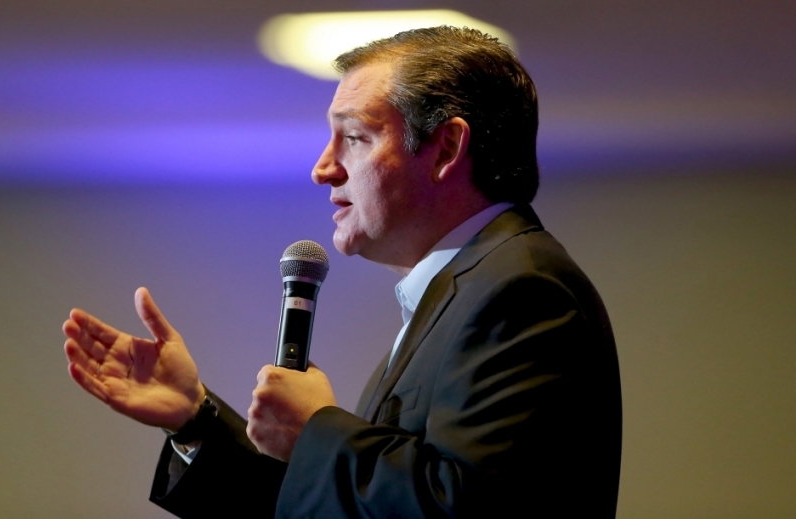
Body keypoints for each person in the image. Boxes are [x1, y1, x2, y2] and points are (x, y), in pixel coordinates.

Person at [63, 26, 622, 518]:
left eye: (354, 136)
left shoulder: (520, 290)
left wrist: (317, 431)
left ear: (446, 147)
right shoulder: (466, 291)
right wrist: (196, 423)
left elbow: (470, 509)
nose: (322, 168)